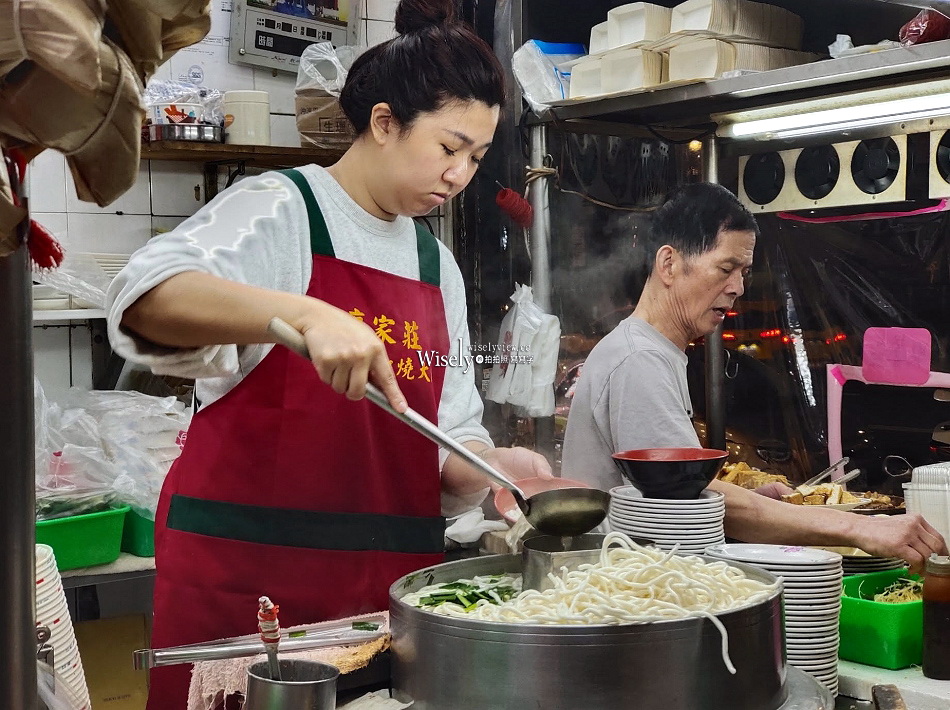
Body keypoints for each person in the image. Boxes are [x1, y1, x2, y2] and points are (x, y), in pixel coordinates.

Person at [107, 1, 550, 705]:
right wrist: (302, 314)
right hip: (252, 594)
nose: (461, 173)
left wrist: (484, 468)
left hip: (383, 601)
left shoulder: (436, 266)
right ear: (383, 124)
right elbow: (144, 296)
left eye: (475, 156)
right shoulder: (282, 209)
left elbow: (446, 434)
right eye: (448, 147)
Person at [561, 183, 947, 570]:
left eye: (744, 272)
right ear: (669, 264)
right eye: (726, 269)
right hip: (626, 592)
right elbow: (685, 498)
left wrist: (754, 499)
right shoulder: (639, 359)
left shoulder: (653, 350)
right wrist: (859, 528)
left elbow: (686, 493)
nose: (739, 288)